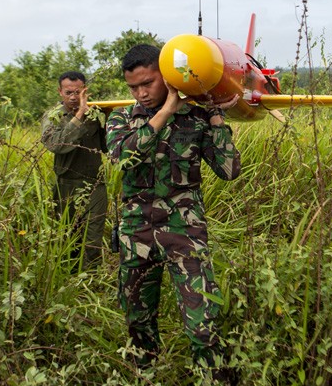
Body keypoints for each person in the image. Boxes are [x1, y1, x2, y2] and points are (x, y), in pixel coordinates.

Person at [105, 44, 241, 380]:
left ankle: (214, 377)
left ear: (165, 75)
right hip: (137, 234)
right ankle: (146, 375)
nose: (141, 93)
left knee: (204, 325)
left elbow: (229, 170)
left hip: (185, 233)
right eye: (133, 87)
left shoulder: (196, 118)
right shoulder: (122, 118)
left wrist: (215, 116)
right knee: (138, 321)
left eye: (147, 83)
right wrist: (165, 111)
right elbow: (123, 158)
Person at [40, 71, 108, 270]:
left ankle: (92, 281)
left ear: (84, 91)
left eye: (77, 92)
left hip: (94, 183)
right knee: (68, 237)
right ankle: (69, 279)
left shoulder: (96, 114)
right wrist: (79, 116)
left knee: (93, 239)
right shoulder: (53, 116)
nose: (73, 97)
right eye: (68, 92)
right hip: (66, 185)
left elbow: (107, 146)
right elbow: (56, 145)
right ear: (60, 92)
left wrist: (109, 121)